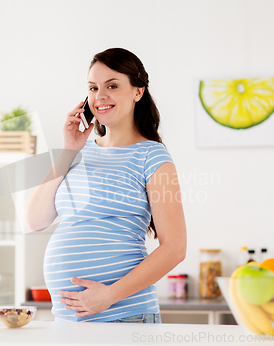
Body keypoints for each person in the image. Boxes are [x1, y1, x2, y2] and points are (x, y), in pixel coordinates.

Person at [24, 48, 186, 323]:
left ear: (138, 91)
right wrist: (68, 150)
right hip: (68, 322)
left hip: (124, 317)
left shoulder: (152, 156)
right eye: (93, 88)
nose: (100, 96)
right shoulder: (77, 154)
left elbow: (175, 248)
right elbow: (35, 220)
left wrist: (109, 296)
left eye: (112, 85)